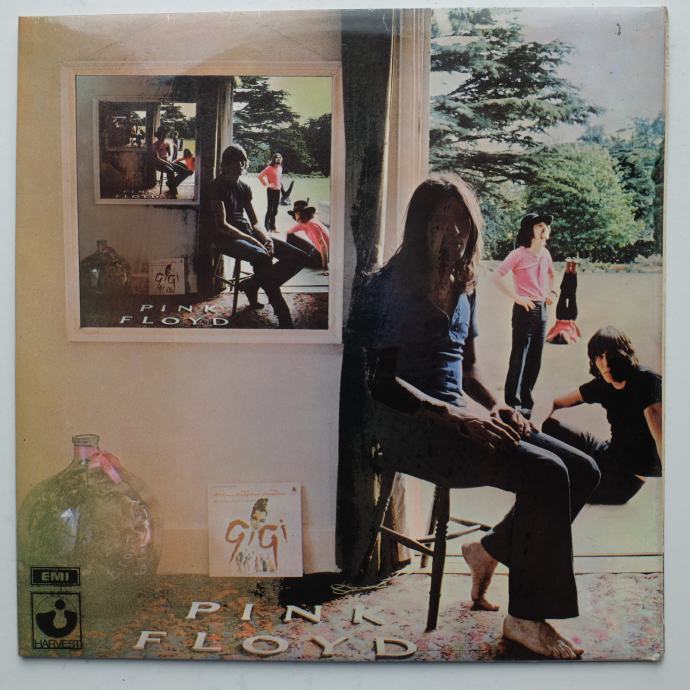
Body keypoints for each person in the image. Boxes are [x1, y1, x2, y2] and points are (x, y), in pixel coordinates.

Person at [357, 176, 599, 659]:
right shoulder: (389, 286)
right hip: (414, 429)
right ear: (418, 225)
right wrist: (457, 418)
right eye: (439, 221)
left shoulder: (464, 283)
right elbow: (381, 383)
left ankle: (489, 549)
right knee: (548, 474)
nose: (453, 233)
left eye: (462, 222)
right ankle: (525, 617)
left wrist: (496, 405)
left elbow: (467, 369)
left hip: (463, 420)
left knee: (585, 470)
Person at [541, 326, 662, 504]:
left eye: (611, 356)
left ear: (624, 355)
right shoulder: (604, 384)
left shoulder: (646, 381)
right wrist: (533, 424)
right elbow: (554, 402)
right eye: (599, 356)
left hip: (625, 479)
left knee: (552, 487)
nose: (605, 364)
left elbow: (663, 441)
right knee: (543, 424)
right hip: (607, 453)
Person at [208, 144, 308, 328]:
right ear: (226, 164)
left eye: (242, 161)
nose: (240, 165)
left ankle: (253, 283)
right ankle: (282, 311)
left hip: (247, 232)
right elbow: (222, 225)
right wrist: (255, 241)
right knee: (262, 256)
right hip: (225, 238)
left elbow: (254, 222)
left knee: (299, 256)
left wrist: (267, 239)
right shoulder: (216, 186)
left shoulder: (244, 187)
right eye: (236, 162)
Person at [492, 212, 556, 418]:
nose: (544, 228)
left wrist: (552, 293)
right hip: (524, 311)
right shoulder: (518, 254)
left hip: (542, 311)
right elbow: (496, 276)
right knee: (519, 357)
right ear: (529, 230)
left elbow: (552, 274)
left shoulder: (545, 254)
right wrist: (517, 298)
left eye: (546, 225)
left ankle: (527, 400)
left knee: (535, 358)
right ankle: (512, 402)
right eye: (539, 225)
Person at [225, 497, 288, 574]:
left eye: (261, 521)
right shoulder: (243, 533)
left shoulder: (267, 538)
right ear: (250, 517)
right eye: (254, 518)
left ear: (265, 521)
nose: (257, 523)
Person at [286, 200, 330, 275]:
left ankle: (291, 257)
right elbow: (289, 232)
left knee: (297, 257)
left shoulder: (312, 224)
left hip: (320, 258)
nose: (298, 216)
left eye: (301, 213)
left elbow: (323, 246)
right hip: (317, 251)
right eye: (296, 214)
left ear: (307, 213)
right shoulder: (305, 222)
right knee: (290, 236)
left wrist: (325, 268)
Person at [150, 125, 193, 199]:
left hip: (167, 162)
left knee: (186, 171)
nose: (164, 136)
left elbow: (169, 155)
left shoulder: (166, 144)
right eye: (162, 135)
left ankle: (170, 183)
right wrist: (167, 162)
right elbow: (156, 158)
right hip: (158, 164)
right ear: (158, 136)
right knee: (170, 171)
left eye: (165, 134)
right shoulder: (154, 145)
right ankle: (173, 192)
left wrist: (168, 151)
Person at [546, 258, 582, 344]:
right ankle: (572, 270)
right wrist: (574, 325)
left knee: (565, 293)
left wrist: (548, 337)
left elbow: (549, 334)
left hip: (562, 317)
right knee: (571, 293)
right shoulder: (572, 337)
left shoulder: (554, 336)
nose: (562, 333)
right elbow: (579, 335)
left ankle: (569, 270)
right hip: (569, 318)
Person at [258, 153, 283, 232]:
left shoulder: (280, 168)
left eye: (280, 157)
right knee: (270, 209)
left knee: (275, 210)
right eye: (277, 157)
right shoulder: (269, 168)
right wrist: (266, 184)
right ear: (273, 159)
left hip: (278, 190)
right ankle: (266, 226)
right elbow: (260, 176)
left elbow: (279, 178)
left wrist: (280, 186)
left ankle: (272, 227)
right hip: (271, 190)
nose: (278, 159)